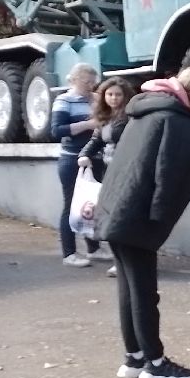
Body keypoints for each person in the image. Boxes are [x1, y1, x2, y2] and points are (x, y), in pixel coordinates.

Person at [94, 67, 190, 378]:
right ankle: (156, 364)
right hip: (139, 214)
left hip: (114, 209)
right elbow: (168, 173)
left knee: (129, 287)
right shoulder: (178, 121)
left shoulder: (143, 111)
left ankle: (134, 358)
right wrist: (159, 219)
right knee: (145, 291)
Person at [78, 79, 138, 279]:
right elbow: (95, 139)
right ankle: (118, 260)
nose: (114, 98)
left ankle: (123, 262)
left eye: (118, 94)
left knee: (121, 218)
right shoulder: (105, 116)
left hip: (126, 173)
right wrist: (84, 155)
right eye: (110, 94)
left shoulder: (132, 116)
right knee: (109, 218)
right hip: (108, 172)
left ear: (125, 96)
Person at [52, 64, 109, 267]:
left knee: (92, 204)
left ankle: (93, 248)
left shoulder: (96, 100)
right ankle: (69, 253)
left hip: (95, 159)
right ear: (74, 80)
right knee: (71, 205)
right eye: (87, 82)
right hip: (71, 159)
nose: (91, 86)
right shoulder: (63, 100)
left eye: (93, 82)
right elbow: (57, 130)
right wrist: (88, 124)